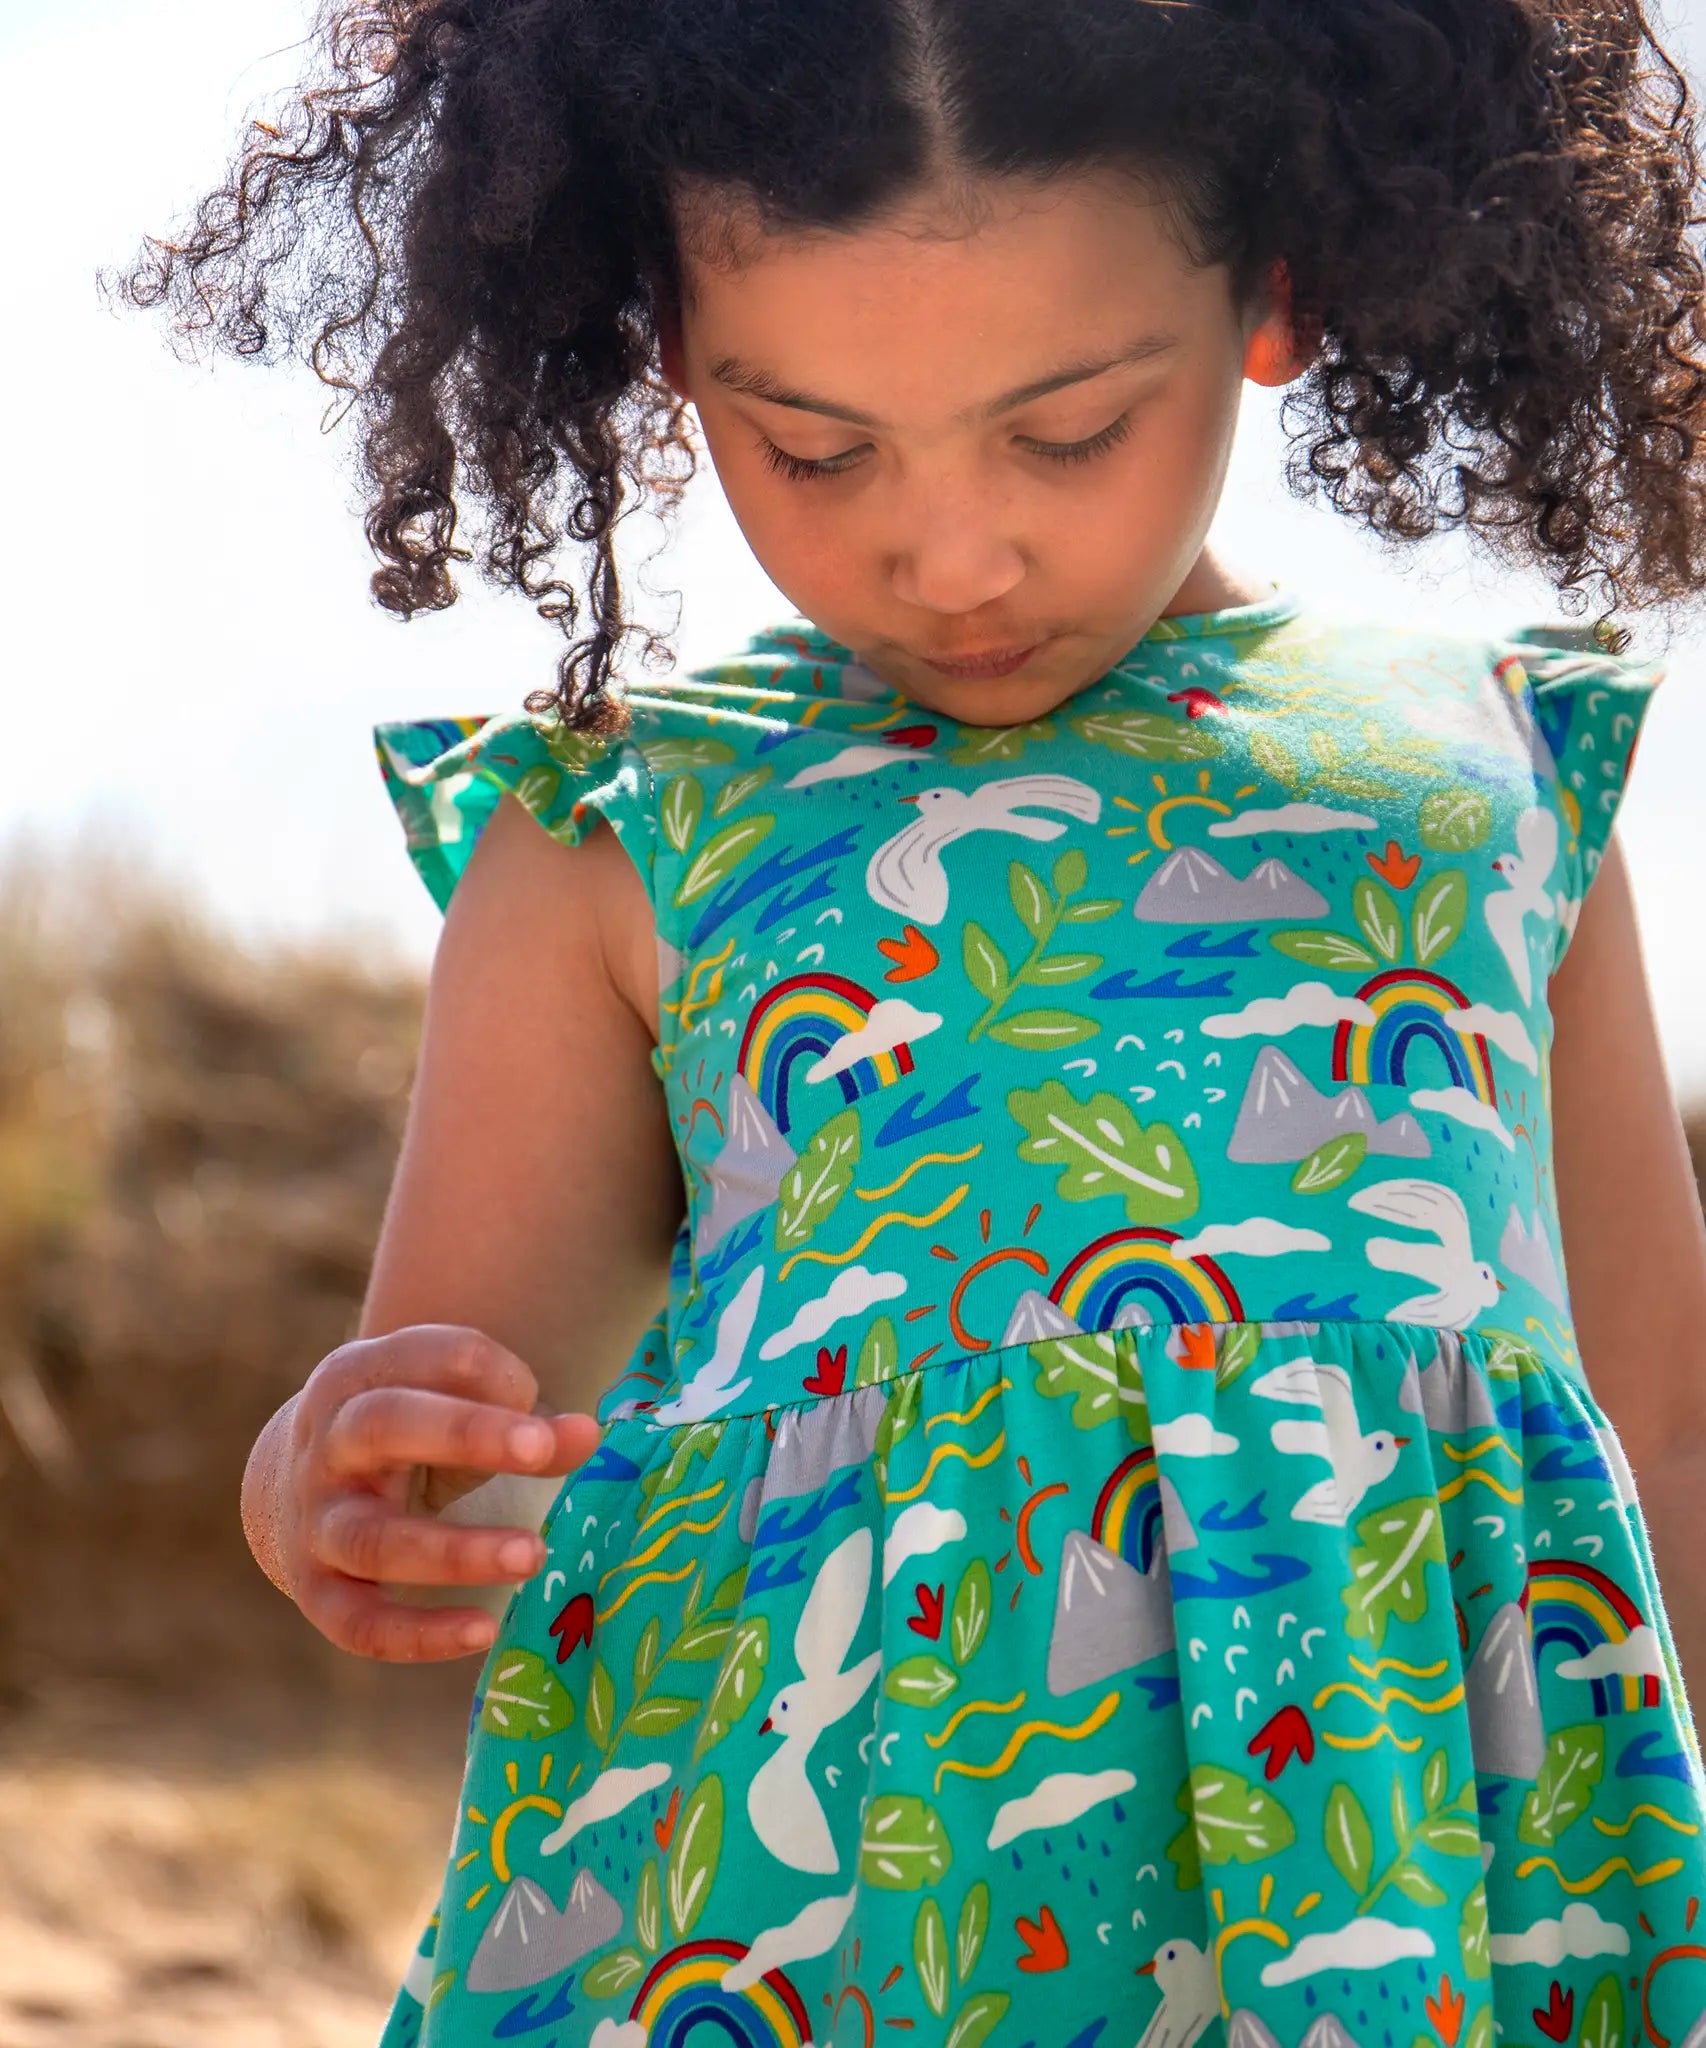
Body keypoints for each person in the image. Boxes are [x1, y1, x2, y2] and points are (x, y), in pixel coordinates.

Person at [114, 0, 1706, 2039]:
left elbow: (1652, 1433)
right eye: (817, 448)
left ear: (1271, 295)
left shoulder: (1490, 775)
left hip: (1428, 1912)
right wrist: (319, 1477)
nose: (951, 552)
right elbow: (460, 1420)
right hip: (821, 1931)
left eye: (1064, 431)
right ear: (667, 352)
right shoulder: (620, 828)